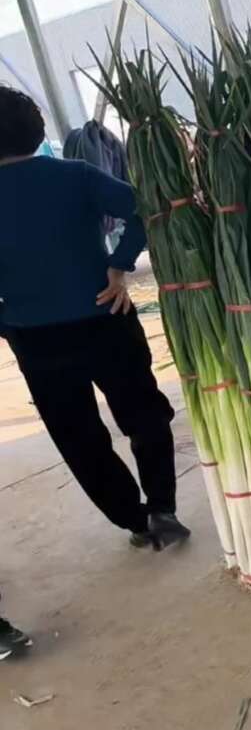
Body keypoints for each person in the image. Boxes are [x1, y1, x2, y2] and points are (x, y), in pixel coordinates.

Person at [0, 85, 190, 552]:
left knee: (78, 436)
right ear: (36, 130)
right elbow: (145, 210)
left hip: (35, 338)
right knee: (143, 412)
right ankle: (163, 506)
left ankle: (135, 521)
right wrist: (119, 264)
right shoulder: (76, 175)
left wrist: (9, 322)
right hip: (106, 314)